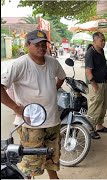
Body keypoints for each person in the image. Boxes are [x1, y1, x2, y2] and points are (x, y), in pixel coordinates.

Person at [1, 29, 66, 179]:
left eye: (44, 44)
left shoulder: (53, 62)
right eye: (37, 44)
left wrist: (52, 89)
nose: (41, 47)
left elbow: (61, 77)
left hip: (52, 121)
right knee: (31, 162)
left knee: (52, 156)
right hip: (30, 124)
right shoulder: (19, 64)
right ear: (27, 45)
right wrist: (17, 108)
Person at [85, 32, 107, 140]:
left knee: (103, 106)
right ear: (94, 41)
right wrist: (94, 85)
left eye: (104, 40)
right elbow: (88, 71)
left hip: (104, 83)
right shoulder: (90, 53)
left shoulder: (101, 51)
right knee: (95, 108)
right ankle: (89, 129)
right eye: (102, 40)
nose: (104, 42)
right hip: (96, 84)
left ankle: (99, 126)